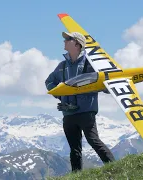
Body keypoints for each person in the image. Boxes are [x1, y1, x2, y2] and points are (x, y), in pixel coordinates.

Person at [45, 31, 115, 172]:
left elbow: (107, 84)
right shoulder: (61, 66)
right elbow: (49, 82)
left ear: (77, 44)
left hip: (86, 111)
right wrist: (60, 96)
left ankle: (114, 167)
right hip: (68, 113)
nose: (64, 41)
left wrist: (108, 86)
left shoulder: (91, 65)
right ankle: (77, 175)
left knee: (93, 141)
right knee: (74, 148)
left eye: (68, 39)